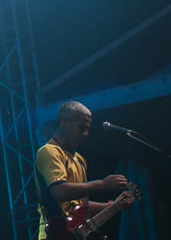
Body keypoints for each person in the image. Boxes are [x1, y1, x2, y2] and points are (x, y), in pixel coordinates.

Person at [35, 101, 133, 239]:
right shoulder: (49, 152)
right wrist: (104, 184)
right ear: (64, 121)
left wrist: (113, 205)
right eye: (81, 128)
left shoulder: (80, 160)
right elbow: (60, 192)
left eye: (87, 129)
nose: (86, 134)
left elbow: (81, 205)